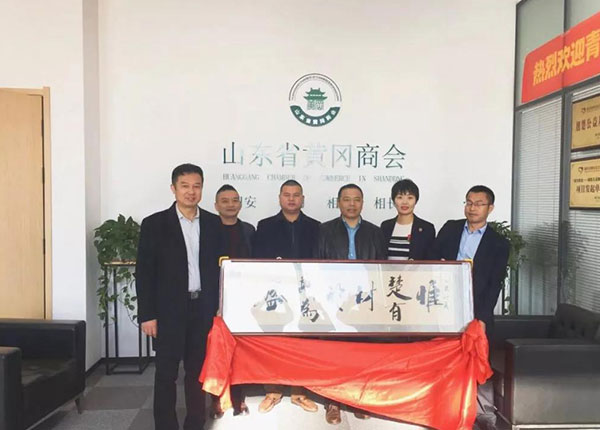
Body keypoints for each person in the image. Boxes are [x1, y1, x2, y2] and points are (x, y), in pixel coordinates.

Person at [136, 163, 223, 430]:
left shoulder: (213, 223)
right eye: (184, 186)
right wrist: (147, 315)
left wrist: (220, 306)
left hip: (202, 308)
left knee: (197, 374)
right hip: (168, 311)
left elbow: (219, 269)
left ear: (202, 189)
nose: (191, 191)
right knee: (166, 374)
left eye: (196, 186)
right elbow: (144, 272)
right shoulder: (154, 224)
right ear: (173, 189)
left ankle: (195, 423)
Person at [315, 183, 386, 425]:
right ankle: (333, 402)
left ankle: (357, 399)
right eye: (346, 199)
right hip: (335, 301)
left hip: (365, 302)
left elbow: (382, 269)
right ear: (338, 203)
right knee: (333, 353)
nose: (351, 204)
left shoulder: (375, 232)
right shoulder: (324, 230)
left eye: (356, 199)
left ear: (362, 203)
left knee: (360, 352)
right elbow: (317, 266)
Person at [252, 179, 320, 414]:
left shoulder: (315, 227)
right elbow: (257, 262)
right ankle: (273, 390)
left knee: (301, 344)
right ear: (279, 198)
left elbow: (320, 262)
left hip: (305, 294)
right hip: (275, 294)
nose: (291, 199)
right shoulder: (265, 226)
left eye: (296, 195)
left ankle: (299, 392)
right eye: (287, 194)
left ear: (303, 199)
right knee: (274, 342)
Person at [428, 185, 509, 334]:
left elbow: (494, 284)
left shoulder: (499, 243)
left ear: (490, 208)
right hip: (442, 300)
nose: (472, 208)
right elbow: (431, 257)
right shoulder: (450, 228)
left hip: (475, 306)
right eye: (469, 203)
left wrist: (483, 319)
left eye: (479, 204)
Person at [211, 184, 254, 417]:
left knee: (240, 351)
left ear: (240, 204)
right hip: (213, 299)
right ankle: (216, 398)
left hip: (243, 298)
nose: (230, 205)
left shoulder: (249, 230)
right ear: (216, 205)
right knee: (216, 351)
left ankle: (238, 398)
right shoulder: (207, 229)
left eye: (234, 200)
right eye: (225, 201)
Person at [380, 179, 435, 260]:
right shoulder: (385, 226)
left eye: (410, 198)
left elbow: (430, 259)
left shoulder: (427, 229)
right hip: (388, 269)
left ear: (416, 200)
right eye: (400, 197)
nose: (405, 202)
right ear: (394, 201)